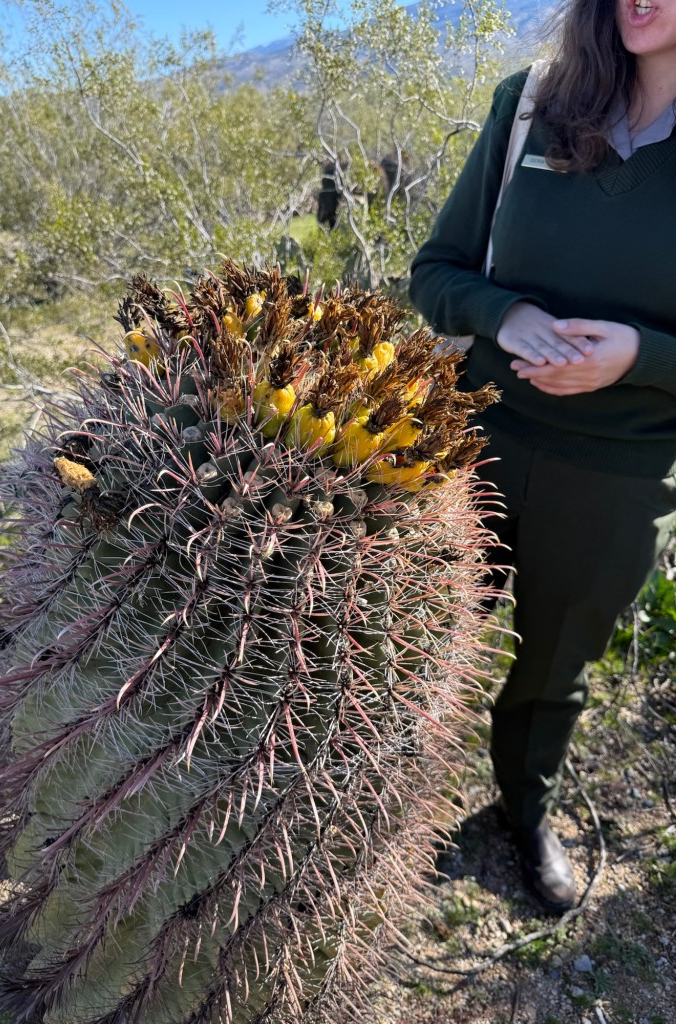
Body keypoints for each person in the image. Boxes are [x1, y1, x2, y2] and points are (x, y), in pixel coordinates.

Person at [409, 0, 676, 913]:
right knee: (408, 643)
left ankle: (522, 813)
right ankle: (361, 813)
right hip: (473, 441)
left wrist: (640, 356)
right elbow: (437, 271)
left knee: (552, 670)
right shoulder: (532, 103)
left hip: (619, 477)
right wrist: (505, 314)